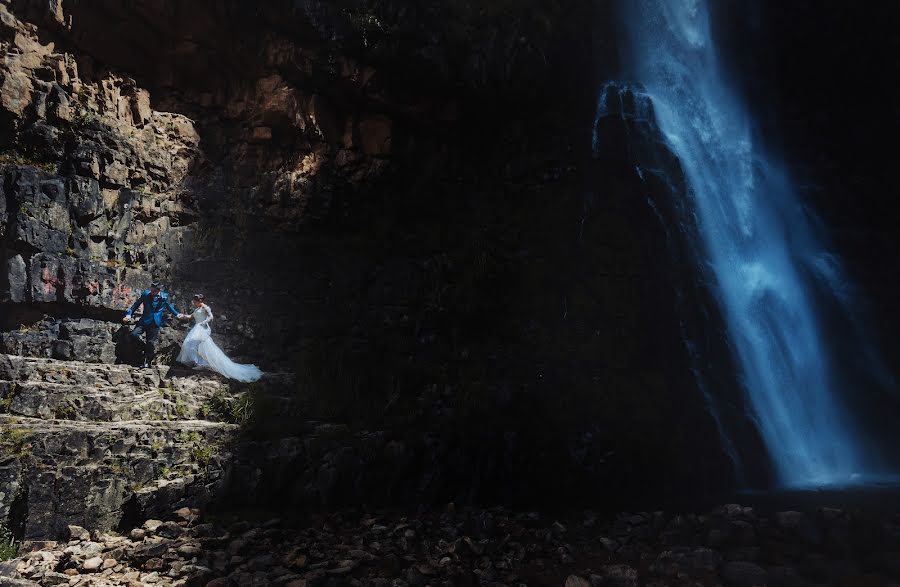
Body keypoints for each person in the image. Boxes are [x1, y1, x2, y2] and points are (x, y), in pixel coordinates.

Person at [176, 294, 262, 382]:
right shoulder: (197, 309)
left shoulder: (206, 308)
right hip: (197, 328)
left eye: (195, 302)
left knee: (197, 344)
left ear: (200, 301)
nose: (194, 303)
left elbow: (211, 317)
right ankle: (196, 362)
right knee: (191, 344)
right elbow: (191, 316)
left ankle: (198, 362)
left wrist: (204, 322)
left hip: (202, 328)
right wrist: (183, 316)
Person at [123, 281, 188, 368]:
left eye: (154, 291)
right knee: (133, 335)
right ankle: (143, 347)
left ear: (158, 290)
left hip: (155, 323)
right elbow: (136, 304)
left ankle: (147, 362)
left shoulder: (164, 296)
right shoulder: (146, 294)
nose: (152, 292)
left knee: (150, 343)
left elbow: (169, 307)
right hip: (144, 321)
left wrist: (177, 314)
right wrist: (129, 315)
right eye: (151, 290)